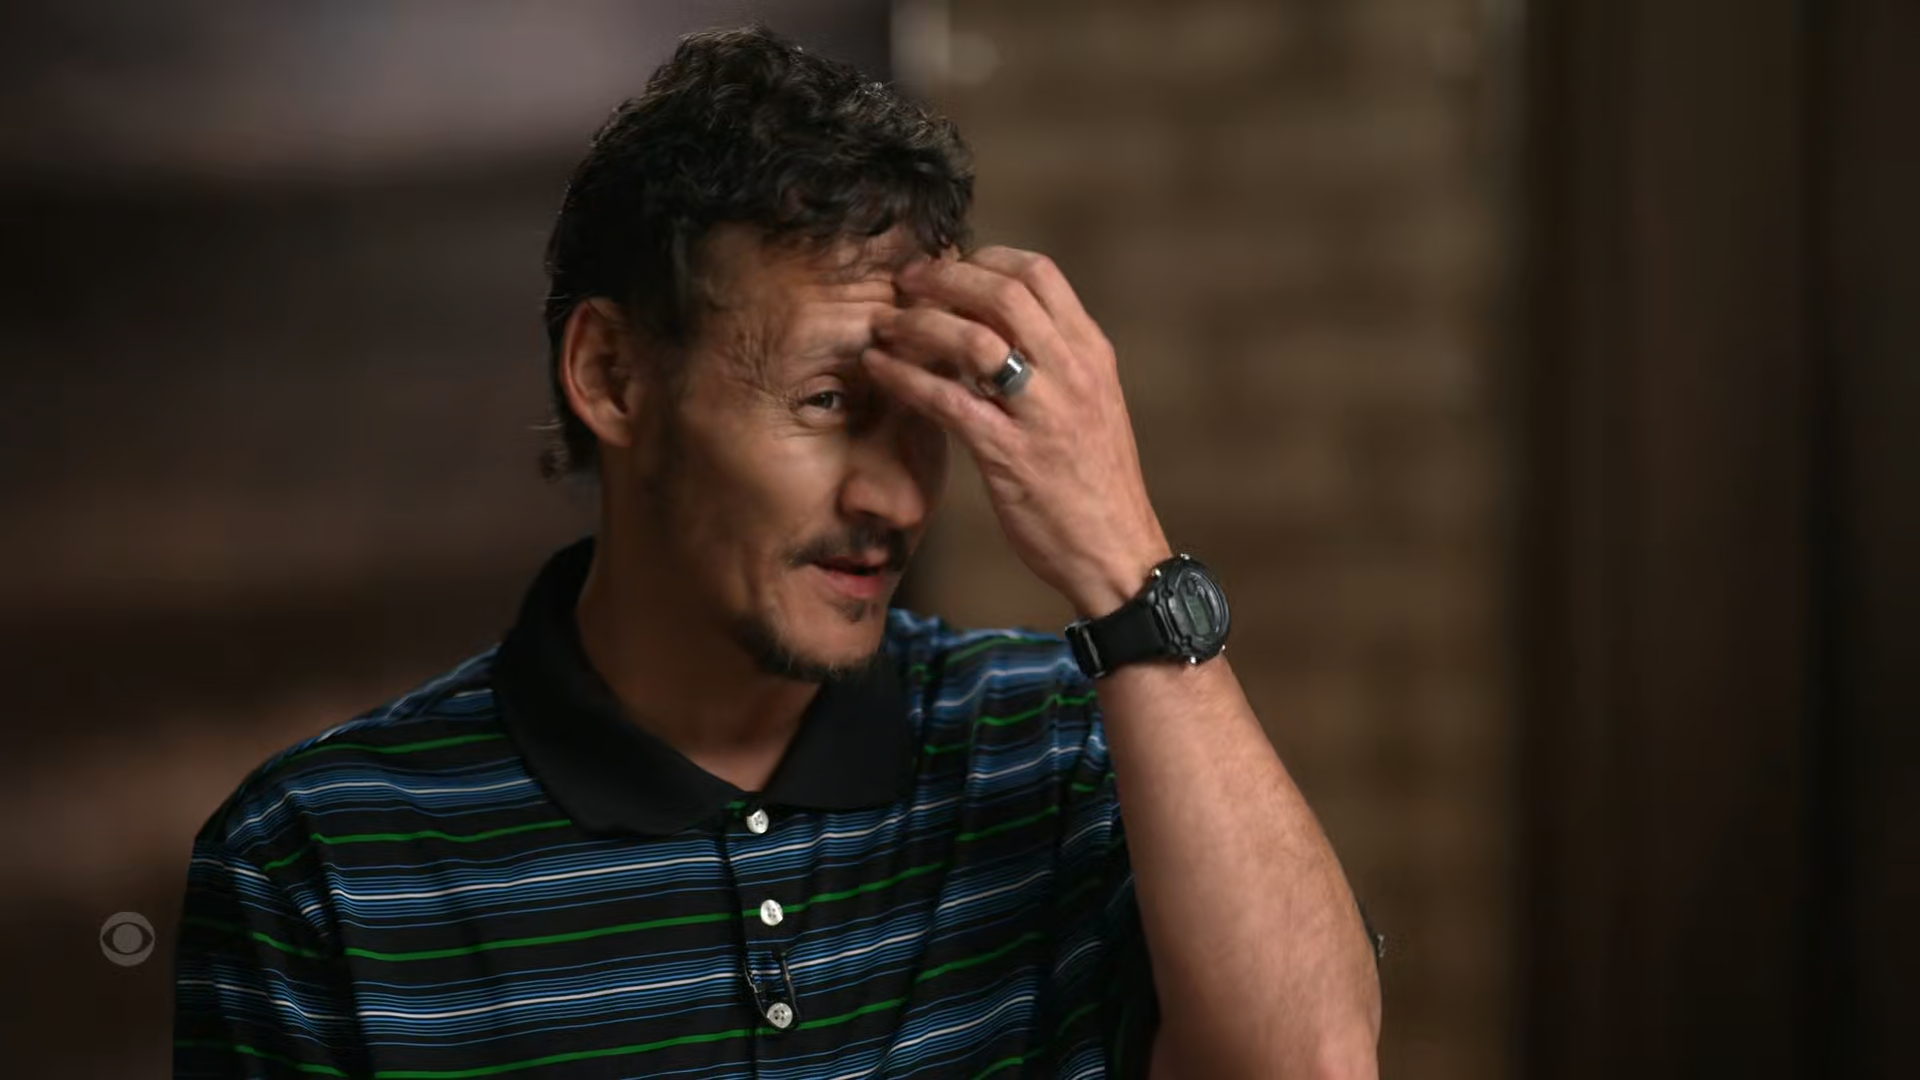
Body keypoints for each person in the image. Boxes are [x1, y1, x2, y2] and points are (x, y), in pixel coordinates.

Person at [172, 25, 1382, 1079]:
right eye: (829, 402)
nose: (893, 496)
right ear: (612, 375)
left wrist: (1127, 565)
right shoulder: (320, 863)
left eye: (923, 415)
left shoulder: (1063, 740)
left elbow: (1316, 1066)